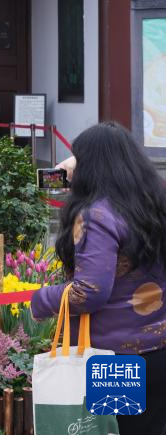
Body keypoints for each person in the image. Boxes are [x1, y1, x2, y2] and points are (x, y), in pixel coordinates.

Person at [31, 122, 166, 434]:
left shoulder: (98, 215)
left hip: (116, 361)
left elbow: (89, 292)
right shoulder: (154, 202)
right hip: (159, 349)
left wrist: (40, 300)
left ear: (90, 167)